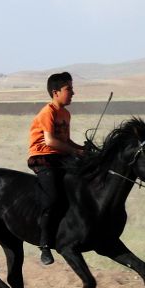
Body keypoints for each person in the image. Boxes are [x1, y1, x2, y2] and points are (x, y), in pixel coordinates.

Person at [27, 71, 83, 265]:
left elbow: (65, 141)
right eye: (69, 89)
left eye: (72, 89)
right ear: (55, 92)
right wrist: (74, 152)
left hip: (60, 156)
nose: (73, 93)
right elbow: (50, 141)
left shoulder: (66, 114)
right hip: (43, 158)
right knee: (52, 198)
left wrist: (82, 149)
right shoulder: (48, 112)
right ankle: (44, 244)